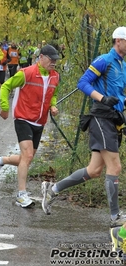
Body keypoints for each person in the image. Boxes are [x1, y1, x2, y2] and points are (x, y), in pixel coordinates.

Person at [42, 28, 126, 229]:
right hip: (100, 117)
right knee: (115, 167)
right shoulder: (103, 60)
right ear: (119, 40)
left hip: (114, 119)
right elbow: (83, 83)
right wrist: (103, 98)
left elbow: (120, 93)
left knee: (95, 170)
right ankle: (115, 217)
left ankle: (52, 190)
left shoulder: (123, 65)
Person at [0, 44, 60, 208]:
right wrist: (5, 108)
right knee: (27, 156)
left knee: (26, 159)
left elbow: (53, 94)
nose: (54, 63)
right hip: (23, 118)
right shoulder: (26, 73)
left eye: (56, 60)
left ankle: (0, 160)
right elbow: (6, 86)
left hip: (39, 121)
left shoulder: (55, 76)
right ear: (41, 57)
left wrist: (53, 106)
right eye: (51, 59)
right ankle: (21, 194)